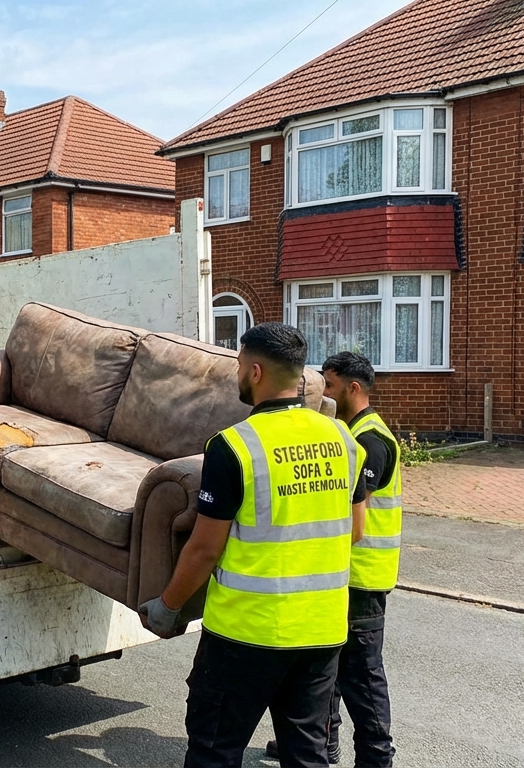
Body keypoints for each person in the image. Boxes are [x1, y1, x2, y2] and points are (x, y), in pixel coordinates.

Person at [140, 322, 368, 768]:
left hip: (244, 636)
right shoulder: (343, 439)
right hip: (321, 633)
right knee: (307, 756)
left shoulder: (233, 447)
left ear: (257, 372)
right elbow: (355, 529)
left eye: (241, 365)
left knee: (214, 752)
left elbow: (204, 549)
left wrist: (168, 606)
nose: (238, 374)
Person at [270, 351, 399, 767]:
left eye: (329, 384)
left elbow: (353, 521)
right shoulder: (349, 434)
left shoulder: (370, 442)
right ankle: (324, 744)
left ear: (353, 388)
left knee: (362, 680)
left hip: (361, 579)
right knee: (329, 669)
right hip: (340, 575)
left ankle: (377, 760)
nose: (322, 392)